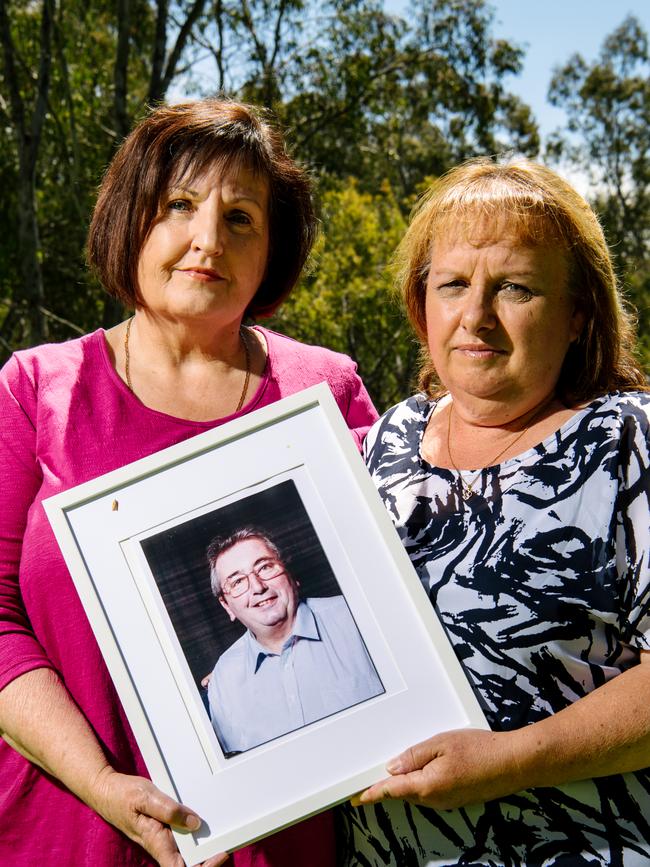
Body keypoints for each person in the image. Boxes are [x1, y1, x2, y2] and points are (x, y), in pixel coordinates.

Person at [0, 99, 377, 867]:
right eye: (179, 205)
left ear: (272, 249)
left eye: (241, 217)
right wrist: (101, 781)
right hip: (68, 833)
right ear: (131, 219)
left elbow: (392, 608)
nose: (208, 238)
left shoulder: (326, 394)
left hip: (276, 847)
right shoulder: (34, 389)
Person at [340, 156, 650, 865]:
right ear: (423, 305)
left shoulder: (628, 441)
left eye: (514, 287)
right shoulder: (382, 442)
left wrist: (509, 758)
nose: (476, 316)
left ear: (577, 314)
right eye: (453, 285)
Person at [205, 528, 383, 754]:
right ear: (227, 606)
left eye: (265, 567)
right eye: (238, 581)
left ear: (291, 575)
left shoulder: (358, 618)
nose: (258, 587)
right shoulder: (224, 677)